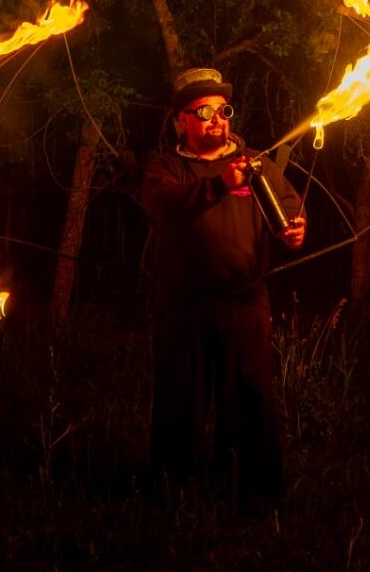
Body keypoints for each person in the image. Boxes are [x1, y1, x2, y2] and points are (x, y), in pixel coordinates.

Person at [139, 66, 305, 508]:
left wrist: (293, 230)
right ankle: (174, 497)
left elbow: (289, 208)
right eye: (204, 110)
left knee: (251, 401)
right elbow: (165, 205)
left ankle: (256, 497)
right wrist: (219, 184)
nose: (217, 118)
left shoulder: (255, 164)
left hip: (243, 302)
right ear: (182, 120)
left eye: (223, 109)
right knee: (180, 405)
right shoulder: (167, 167)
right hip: (182, 305)